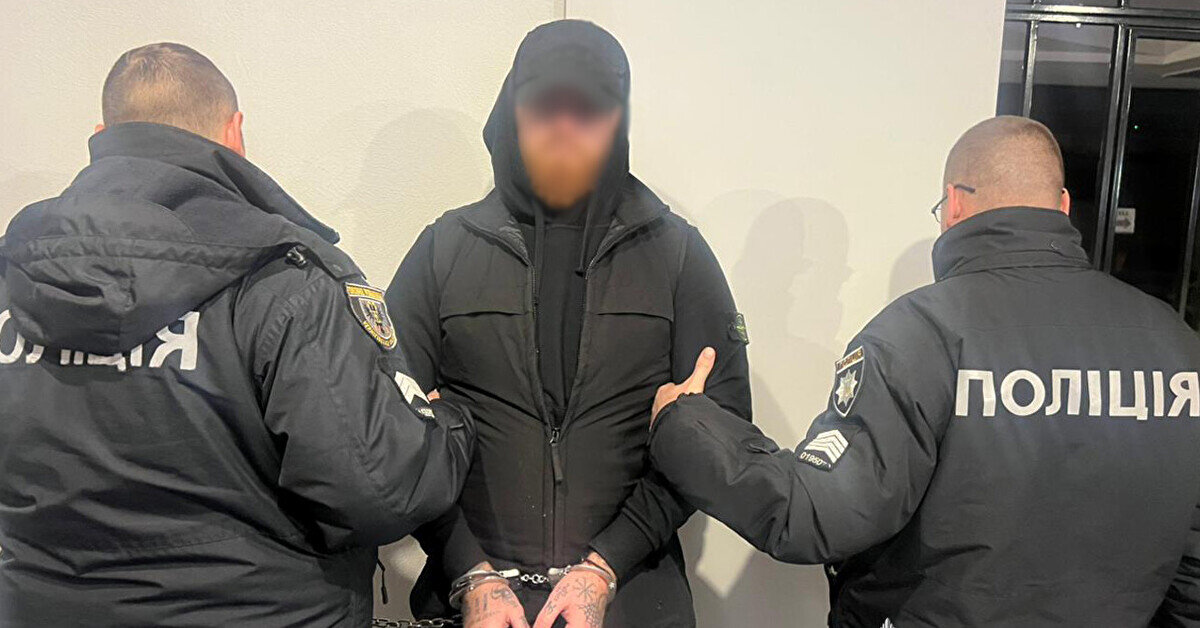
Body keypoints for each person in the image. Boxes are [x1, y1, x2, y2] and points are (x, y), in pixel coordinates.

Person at [649, 116, 1200, 627]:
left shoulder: (921, 334)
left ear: (954, 203)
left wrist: (684, 424)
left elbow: (816, 515)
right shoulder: (1175, 342)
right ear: (1062, 204)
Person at [0, 43, 475, 627]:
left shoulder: (13, 275)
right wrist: (448, 425)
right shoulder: (284, 279)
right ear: (234, 132)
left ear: (102, 135)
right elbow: (379, 494)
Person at [385, 20, 751, 628]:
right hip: (470, 602)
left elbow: (724, 433)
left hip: (636, 597)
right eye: (544, 106)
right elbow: (388, 429)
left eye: (588, 109)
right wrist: (468, 571)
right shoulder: (443, 249)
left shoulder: (678, 254)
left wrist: (606, 565)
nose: (564, 125)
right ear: (513, 112)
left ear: (617, 121)